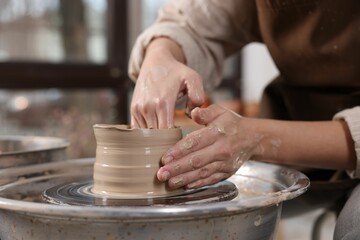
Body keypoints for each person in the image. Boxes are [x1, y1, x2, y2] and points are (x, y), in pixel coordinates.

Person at [128, 1, 360, 238]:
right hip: (295, 123)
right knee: (204, 214)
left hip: (309, 141)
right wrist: (161, 54)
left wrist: (257, 139)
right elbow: (194, 21)